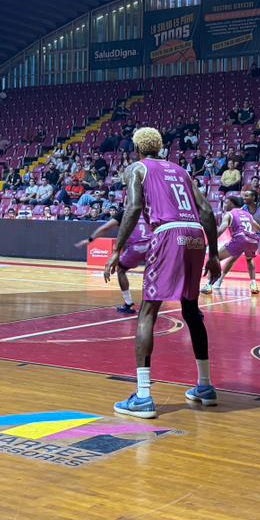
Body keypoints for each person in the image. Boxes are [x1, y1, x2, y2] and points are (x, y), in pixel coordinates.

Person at [104, 127, 219, 419]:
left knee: (147, 312)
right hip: (195, 235)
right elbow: (206, 210)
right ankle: (205, 385)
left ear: (137, 148)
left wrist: (117, 249)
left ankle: (143, 396)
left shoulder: (137, 169)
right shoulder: (181, 171)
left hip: (168, 233)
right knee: (191, 310)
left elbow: (133, 207)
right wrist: (215, 253)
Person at [77, 202, 149, 314]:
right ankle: (151, 302)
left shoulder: (125, 212)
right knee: (152, 272)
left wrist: (90, 239)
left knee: (121, 270)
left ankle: (128, 303)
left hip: (137, 247)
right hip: (154, 244)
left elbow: (105, 228)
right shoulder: (150, 209)